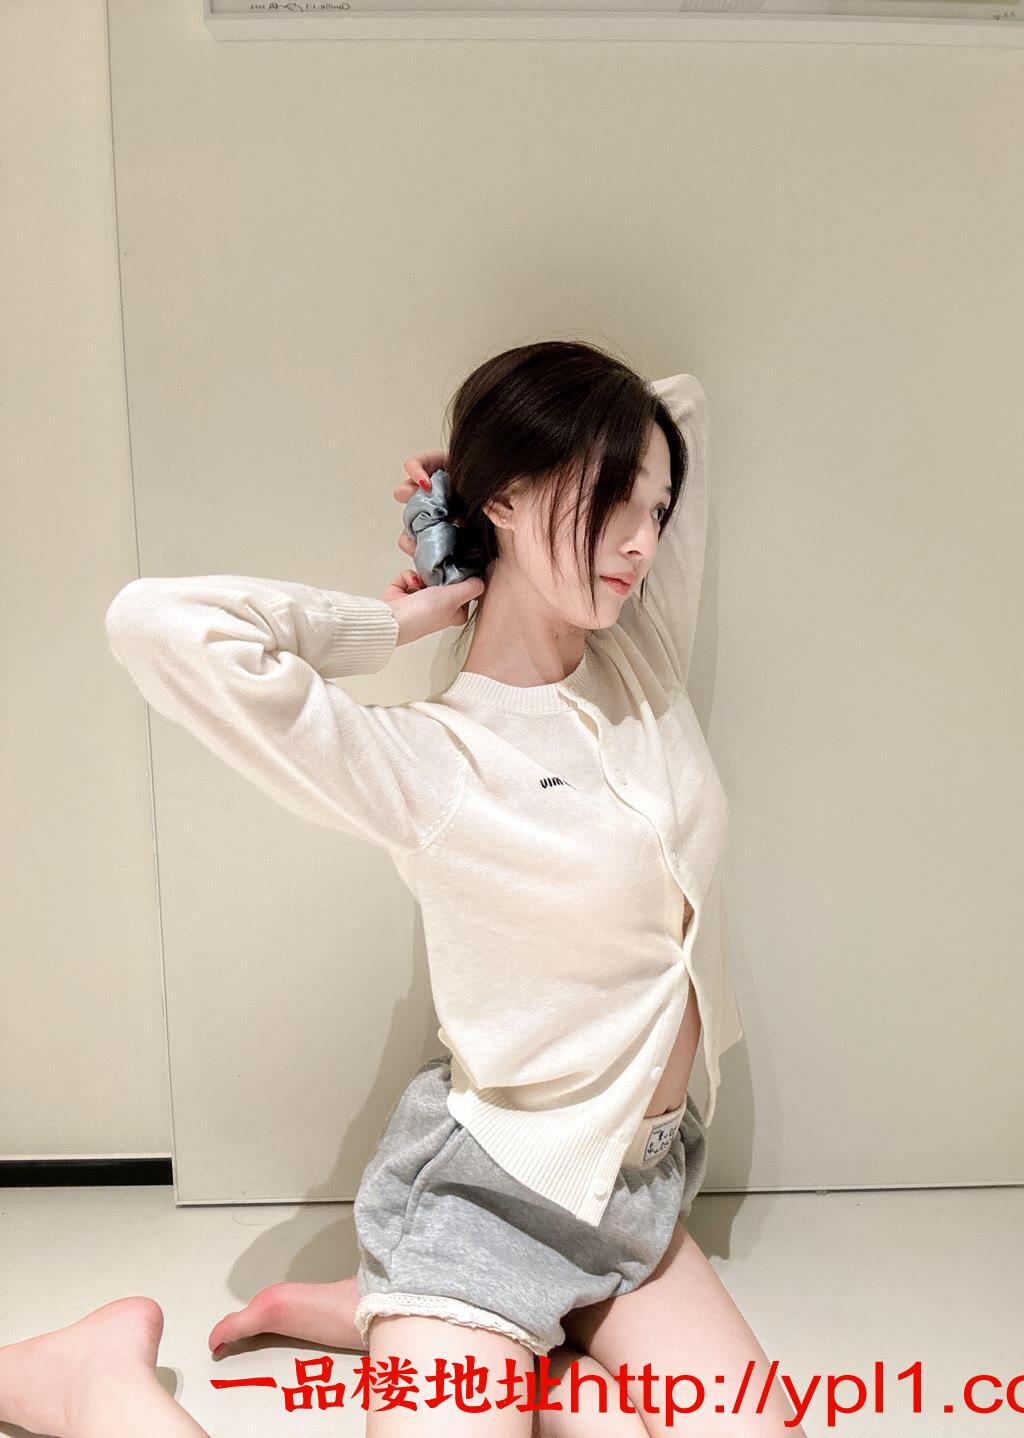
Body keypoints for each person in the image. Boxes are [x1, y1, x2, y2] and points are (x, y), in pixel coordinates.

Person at [0, 340, 807, 1437]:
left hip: (636, 1197)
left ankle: (445, 1340)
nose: (642, 540)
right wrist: (404, 613)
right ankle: (97, 1383)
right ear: (507, 498)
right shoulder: (430, 764)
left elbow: (682, 408)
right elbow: (155, 624)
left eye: (656, 510)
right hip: (485, 1206)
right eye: (613, 499)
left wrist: (477, 486)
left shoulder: (638, 649)